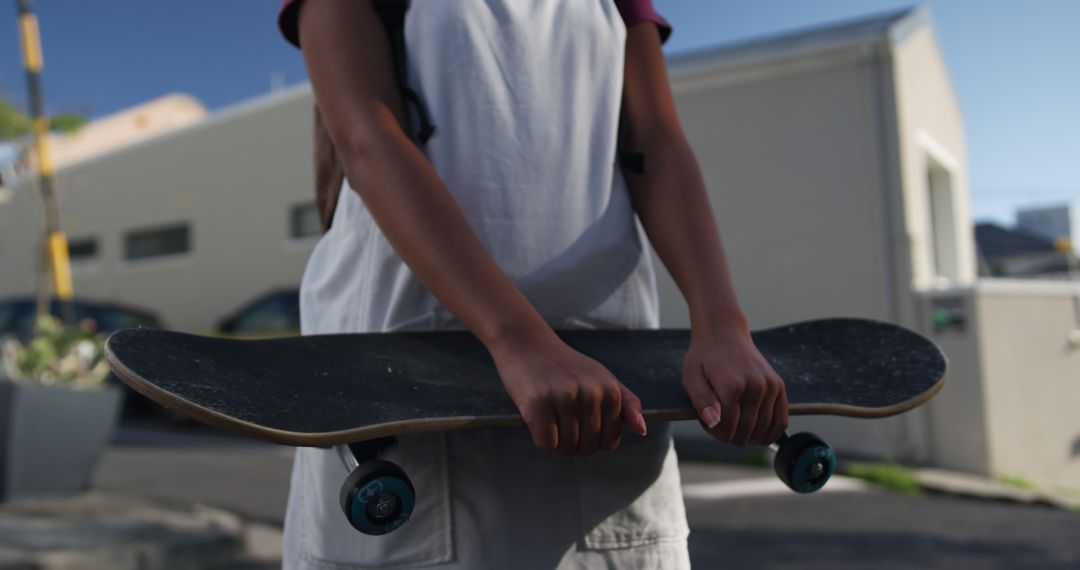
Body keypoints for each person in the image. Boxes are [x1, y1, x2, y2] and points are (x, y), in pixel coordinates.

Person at [277, 1, 789, 568]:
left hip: (611, 378)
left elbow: (659, 150)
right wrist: (519, 339)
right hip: (410, 382)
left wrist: (722, 326)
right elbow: (367, 138)